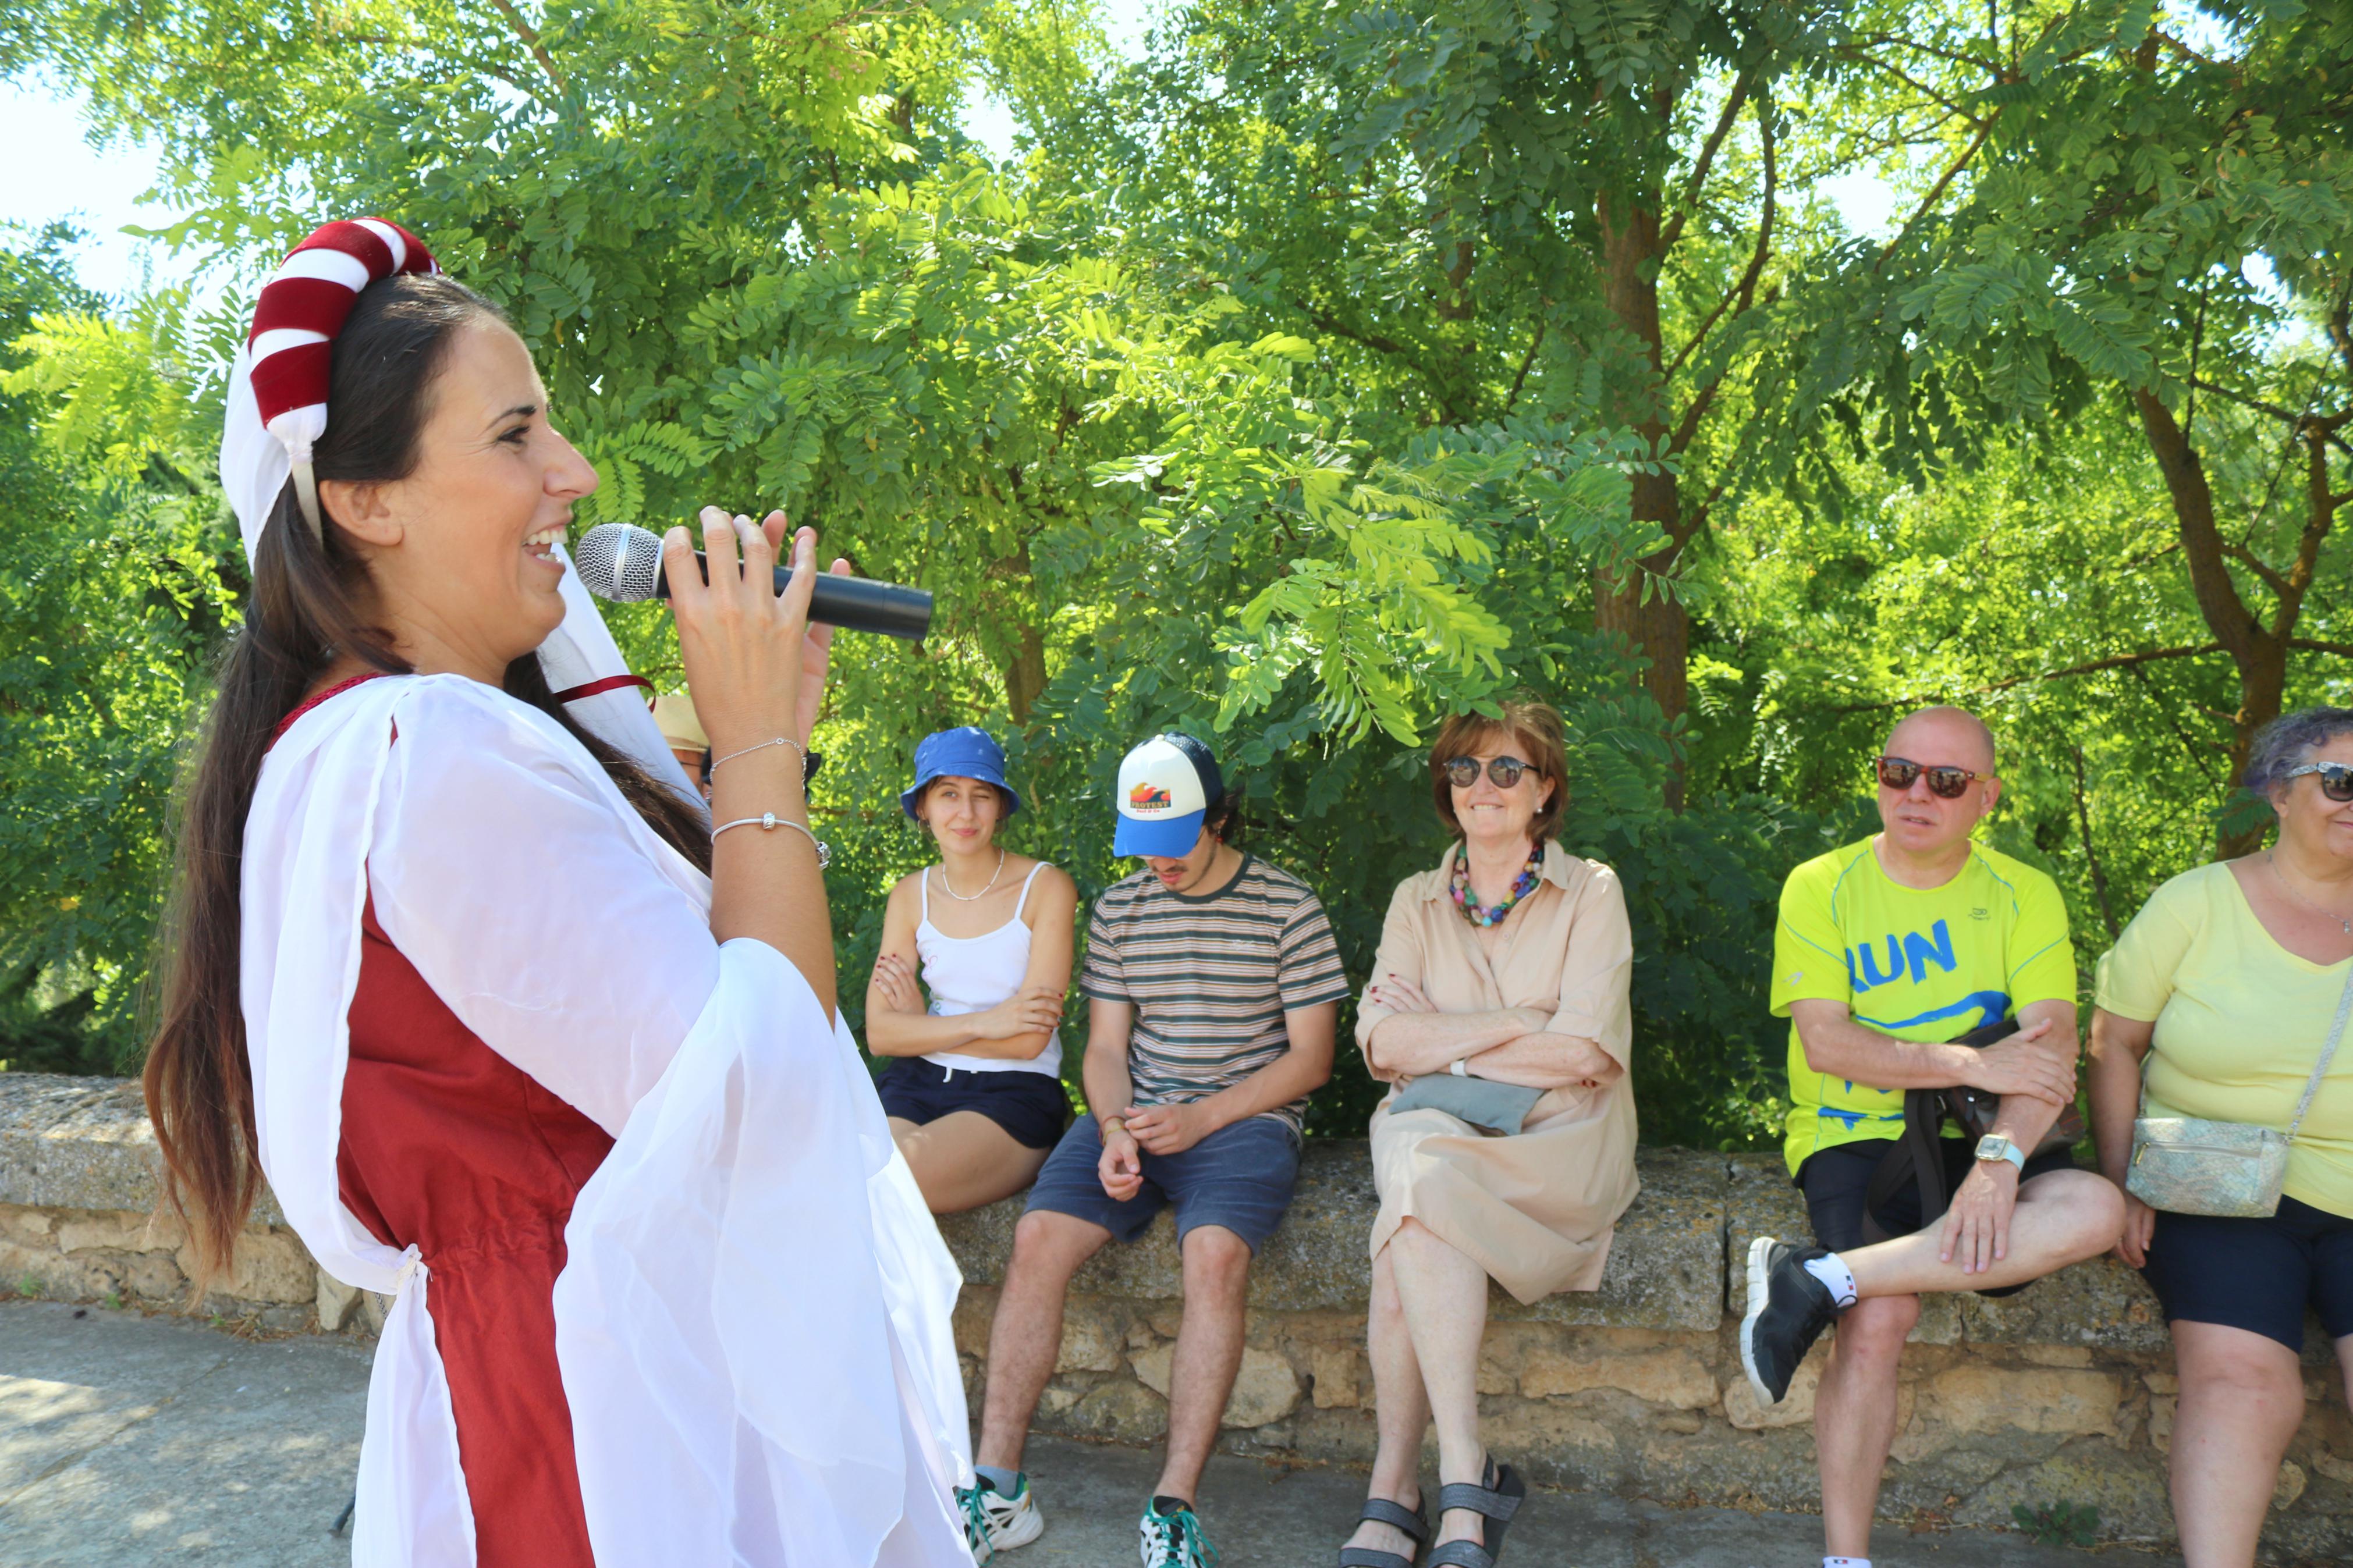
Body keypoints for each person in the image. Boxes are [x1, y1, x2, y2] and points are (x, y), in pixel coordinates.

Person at [140, 218, 970, 1567]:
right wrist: (755, 752)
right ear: (366, 500)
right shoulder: (430, 755)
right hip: (601, 1437)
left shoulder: (390, 742)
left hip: (591, 1388)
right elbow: (756, 1097)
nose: (573, 474)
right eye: (515, 434)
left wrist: (770, 739)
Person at [1738, 705, 2124, 1568]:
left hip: (1983, 1131)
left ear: (1983, 796)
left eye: (1945, 780)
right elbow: (1826, 1043)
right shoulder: (1820, 883)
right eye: (1897, 771)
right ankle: (1846, 1558)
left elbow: (2051, 1045)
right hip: (1851, 1131)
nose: (1917, 793)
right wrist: (1966, 1059)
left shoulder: (2022, 892)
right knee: (1880, 1318)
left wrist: (1997, 1160)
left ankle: (1814, 1277)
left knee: (2092, 1205)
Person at [958, 733, 1347, 1567]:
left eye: (1174, 845)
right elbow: (1103, 1048)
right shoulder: (1122, 907)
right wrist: (1111, 1128)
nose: (1159, 865)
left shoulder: (1287, 905)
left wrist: (1202, 1118)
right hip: (1132, 1117)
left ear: (1215, 817)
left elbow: (1310, 1059)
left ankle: (1173, 1504)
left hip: (1243, 1119)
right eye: (1145, 849)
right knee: (1036, 1238)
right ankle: (997, 1486)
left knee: (1210, 1256)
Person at [1338, 700, 1637, 1568]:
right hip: (1427, 1124)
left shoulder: (1592, 892)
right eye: (1464, 769)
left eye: (1506, 769)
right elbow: (1381, 1043)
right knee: (1417, 1171)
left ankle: (1394, 1488)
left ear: (1544, 789)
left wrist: (1447, 1048)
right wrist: (1514, 1020)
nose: (1482, 785)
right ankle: (1463, 1478)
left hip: (1559, 1140)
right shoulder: (1414, 899)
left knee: (1409, 1198)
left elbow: (1582, 1054)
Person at [2087, 707, 2353, 1568]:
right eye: (2337, 780)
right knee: (2245, 1386)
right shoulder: (2194, 901)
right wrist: (2122, 1178)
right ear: (2278, 790)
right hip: (2217, 1184)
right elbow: (2113, 1042)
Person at [866, 727, 1078, 1213]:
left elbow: (1028, 1041)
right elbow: (881, 1034)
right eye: (948, 795)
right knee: (848, 1169)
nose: (965, 813)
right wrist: (985, 1021)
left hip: (1012, 1090)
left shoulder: (1046, 888)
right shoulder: (908, 895)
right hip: (918, 1082)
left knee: (895, 1181)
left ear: (1001, 807)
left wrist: (919, 1028)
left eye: (981, 796)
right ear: (922, 806)